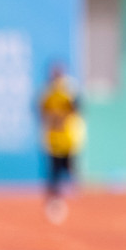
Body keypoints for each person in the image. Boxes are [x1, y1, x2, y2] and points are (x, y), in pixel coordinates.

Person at [37, 61, 84, 223]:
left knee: (70, 171)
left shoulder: (69, 90)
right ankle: (56, 204)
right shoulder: (48, 92)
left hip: (68, 139)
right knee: (55, 175)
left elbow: (78, 108)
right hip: (54, 140)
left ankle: (76, 203)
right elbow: (40, 112)